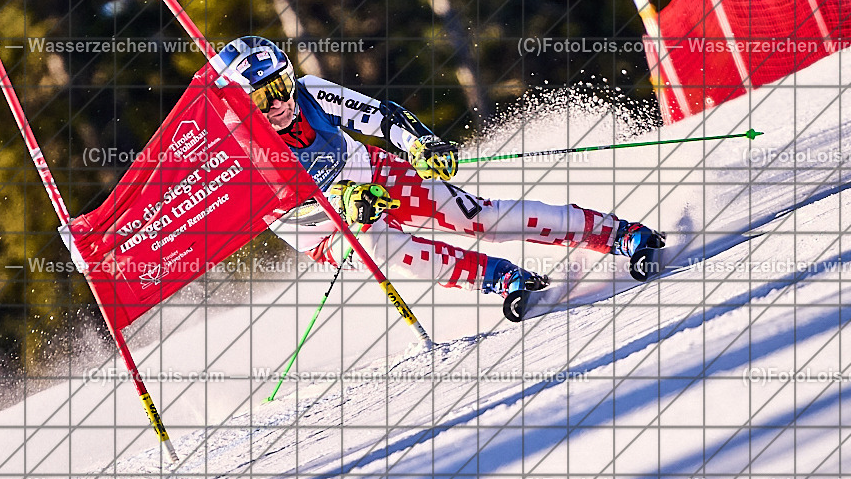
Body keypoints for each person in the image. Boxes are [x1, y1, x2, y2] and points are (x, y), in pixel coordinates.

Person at [210, 36, 664, 320]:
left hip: (368, 171)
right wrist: (344, 202)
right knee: (381, 246)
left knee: (473, 216)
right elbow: (277, 208)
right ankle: (502, 278)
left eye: (281, 87)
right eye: (262, 99)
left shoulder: (308, 93)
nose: (279, 104)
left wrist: (419, 143)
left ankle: (617, 234)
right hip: (321, 230)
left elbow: (377, 116)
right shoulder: (241, 151)